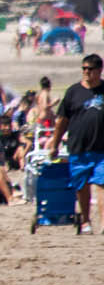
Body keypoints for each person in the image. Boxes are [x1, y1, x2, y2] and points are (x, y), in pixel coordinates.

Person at [47, 53, 104, 234]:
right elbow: (62, 120)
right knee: (82, 187)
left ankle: (103, 222)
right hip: (78, 147)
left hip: (102, 148)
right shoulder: (73, 92)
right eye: (84, 68)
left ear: (99, 70)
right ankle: (86, 221)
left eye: (90, 69)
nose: (86, 72)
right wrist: (54, 144)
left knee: (102, 185)